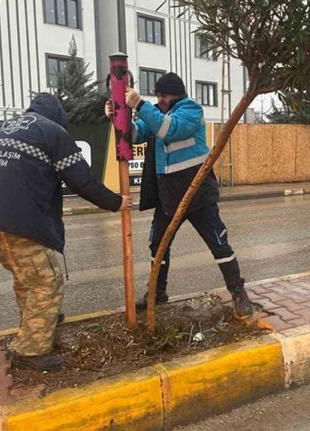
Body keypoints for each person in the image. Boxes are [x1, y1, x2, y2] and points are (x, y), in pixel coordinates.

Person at [0, 93, 131, 371]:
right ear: (58, 118)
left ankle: (38, 323)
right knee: (46, 280)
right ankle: (31, 351)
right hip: (18, 217)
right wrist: (116, 202)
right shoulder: (53, 132)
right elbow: (81, 181)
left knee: (26, 276)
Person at [105, 72, 253, 317]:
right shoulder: (156, 113)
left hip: (197, 193)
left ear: (177, 94)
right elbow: (135, 135)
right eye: (158, 95)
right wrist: (117, 118)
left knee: (218, 243)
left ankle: (238, 293)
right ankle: (157, 294)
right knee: (158, 246)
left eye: (164, 95)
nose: (160, 100)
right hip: (168, 195)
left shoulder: (191, 110)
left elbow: (169, 129)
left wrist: (139, 104)